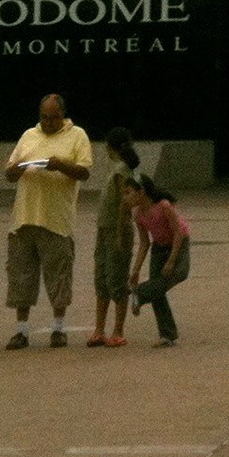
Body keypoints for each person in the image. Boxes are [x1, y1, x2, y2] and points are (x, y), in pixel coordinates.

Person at [2, 92, 93, 349]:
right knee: (21, 276)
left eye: (53, 118)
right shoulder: (29, 135)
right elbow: (9, 172)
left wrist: (61, 165)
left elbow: (84, 172)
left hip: (56, 220)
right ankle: (21, 331)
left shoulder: (77, 136)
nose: (48, 123)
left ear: (62, 115)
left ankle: (59, 329)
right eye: (44, 117)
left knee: (59, 276)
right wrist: (15, 170)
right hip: (24, 219)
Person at [126, 175, 191, 346]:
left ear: (141, 193)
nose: (125, 198)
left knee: (180, 273)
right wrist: (136, 270)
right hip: (159, 247)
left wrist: (171, 261)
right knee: (157, 290)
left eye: (128, 193)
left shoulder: (164, 206)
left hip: (179, 243)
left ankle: (140, 293)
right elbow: (144, 243)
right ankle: (167, 335)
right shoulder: (138, 214)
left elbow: (178, 232)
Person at [90, 128, 138, 347]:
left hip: (116, 230)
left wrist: (120, 233)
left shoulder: (121, 170)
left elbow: (123, 205)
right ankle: (100, 329)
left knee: (115, 279)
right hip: (106, 228)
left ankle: (117, 330)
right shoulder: (118, 169)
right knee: (102, 278)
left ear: (111, 147)